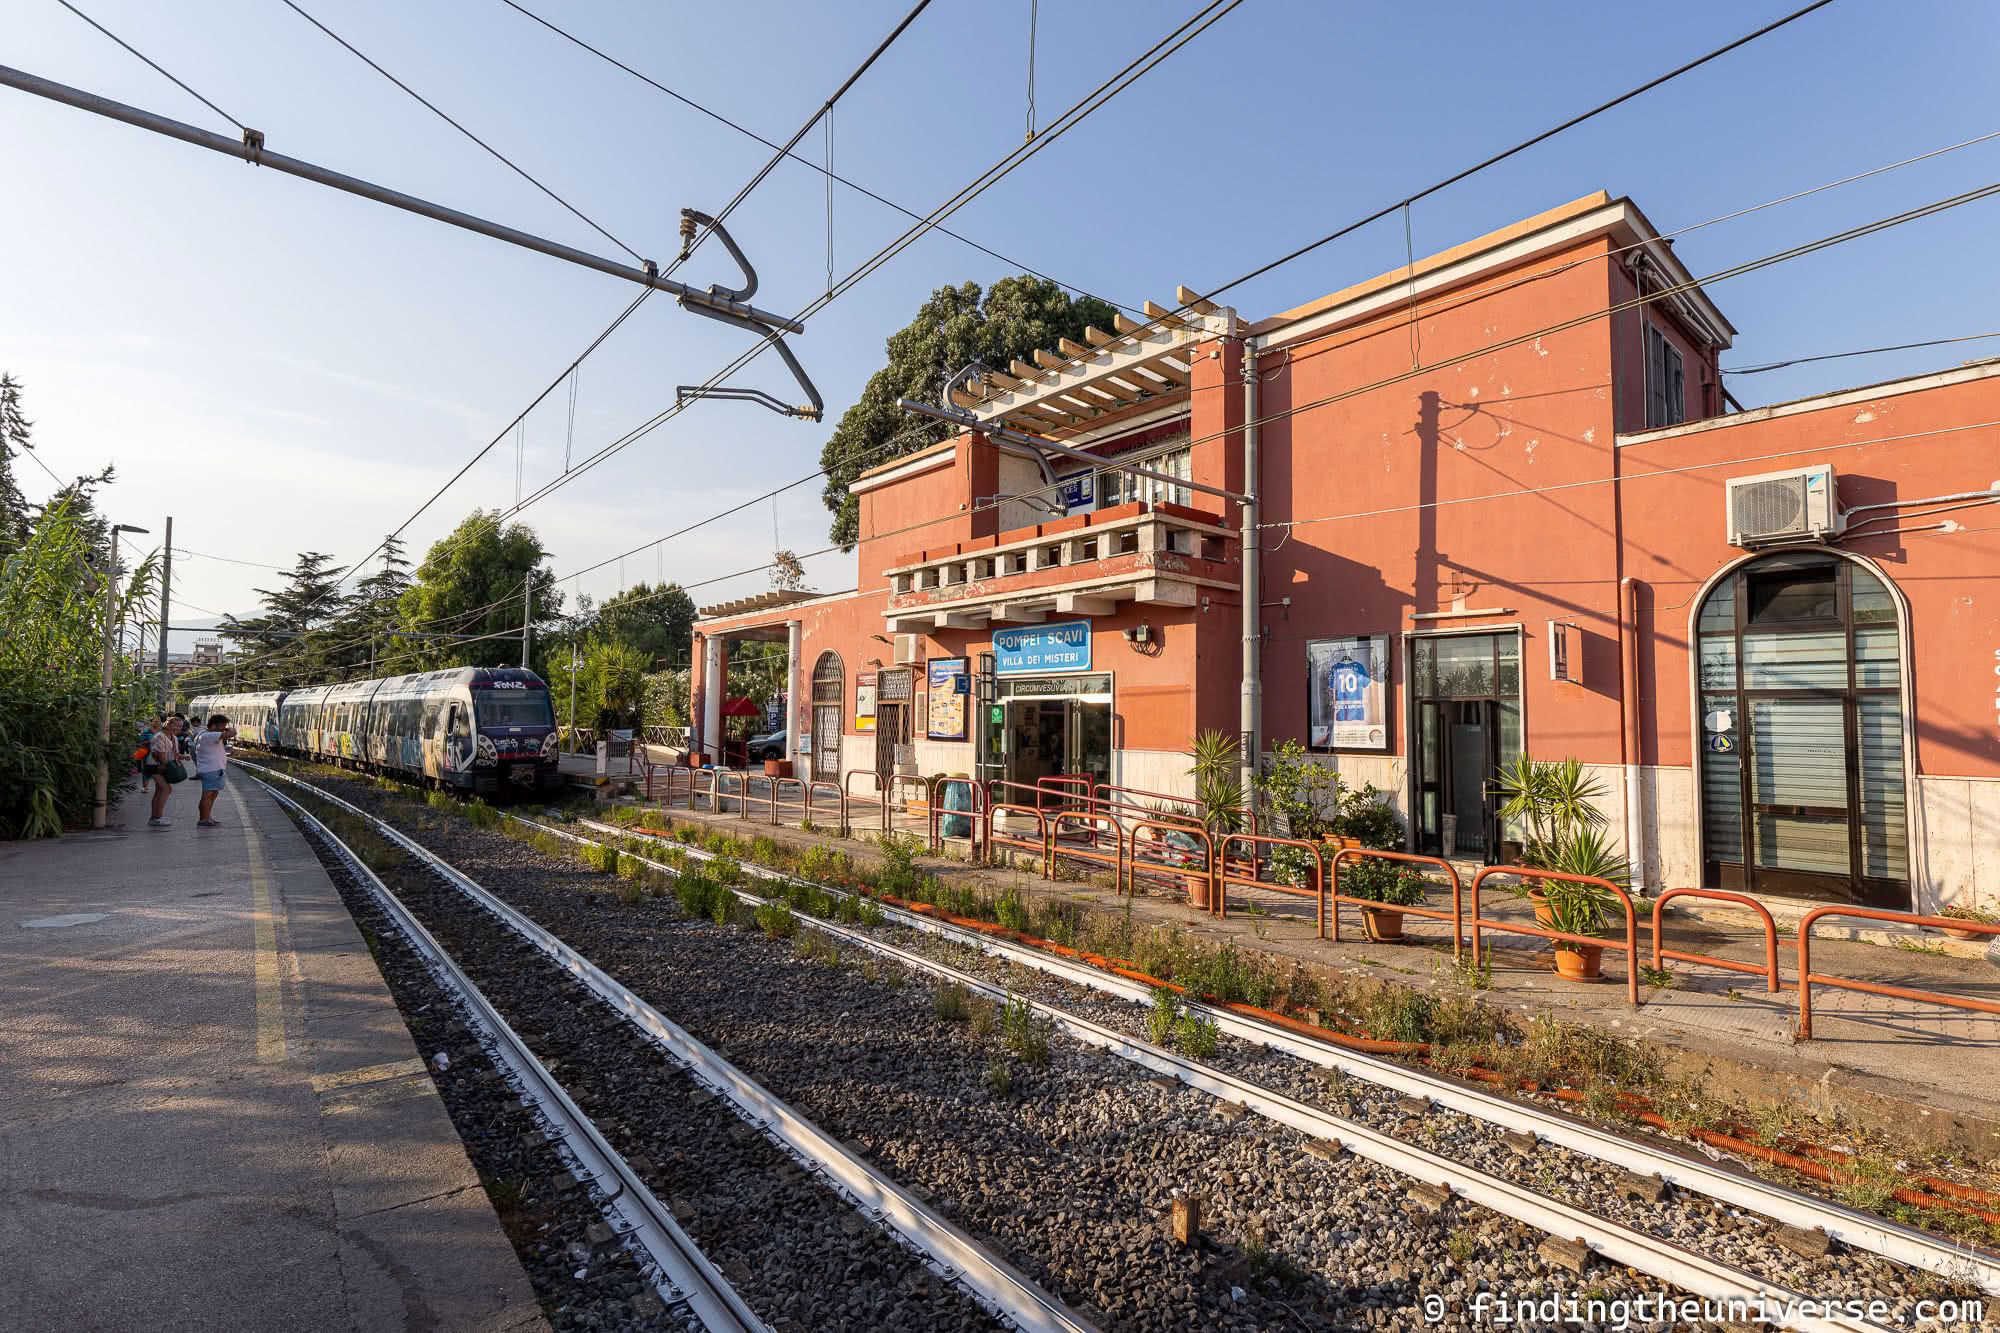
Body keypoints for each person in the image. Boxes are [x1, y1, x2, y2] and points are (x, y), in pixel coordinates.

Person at [194, 713, 237, 828]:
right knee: (207, 795)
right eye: (222, 726)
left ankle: (207, 817)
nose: (224, 728)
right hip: (211, 770)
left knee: (212, 794)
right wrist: (229, 729)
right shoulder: (208, 735)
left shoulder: (206, 734)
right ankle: (203, 820)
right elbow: (232, 733)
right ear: (213, 726)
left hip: (214, 769)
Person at [147, 715, 186, 827]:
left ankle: (154, 817)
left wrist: (183, 757)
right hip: (156, 766)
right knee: (166, 789)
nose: (177, 729)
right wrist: (170, 765)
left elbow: (174, 754)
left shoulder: (173, 737)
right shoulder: (160, 736)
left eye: (180, 727)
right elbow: (161, 756)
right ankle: (158, 817)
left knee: (160, 791)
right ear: (168, 724)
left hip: (164, 766)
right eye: (176, 726)